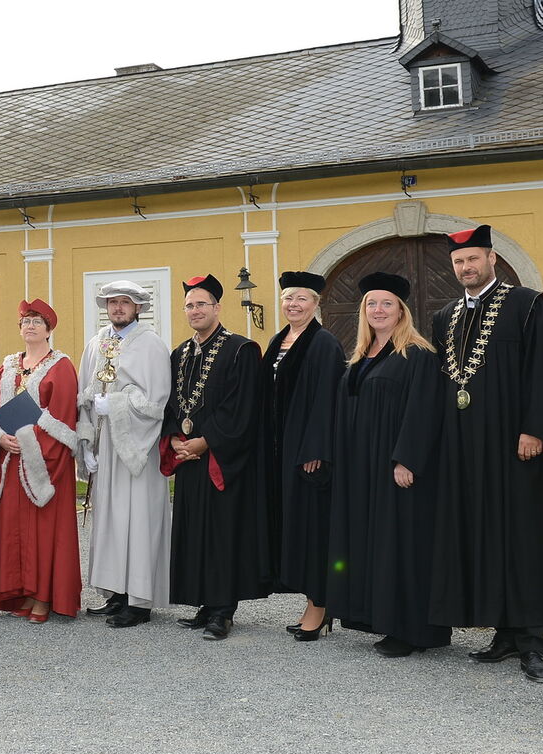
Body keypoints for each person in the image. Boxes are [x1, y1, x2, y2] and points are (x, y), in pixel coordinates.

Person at [429, 224, 543, 684]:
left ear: (492, 259)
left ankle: (532, 641)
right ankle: (504, 633)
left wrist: (535, 429)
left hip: (516, 447)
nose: (466, 267)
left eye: (473, 258)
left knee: (522, 537)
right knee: (486, 537)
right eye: (458, 261)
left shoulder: (528, 304)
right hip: (466, 449)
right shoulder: (445, 316)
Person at [325, 272, 448, 658]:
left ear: (401, 311)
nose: (378, 310)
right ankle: (379, 618)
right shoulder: (360, 358)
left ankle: (412, 630)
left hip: (395, 467)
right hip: (361, 469)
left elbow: (424, 411)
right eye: (372, 304)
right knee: (374, 542)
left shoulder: (418, 355)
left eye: (387, 304)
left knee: (402, 544)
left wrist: (405, 459)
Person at [160, 274, 274, 641]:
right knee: (195, 531)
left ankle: (223, 610)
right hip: (189, 457)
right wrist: (175, 438)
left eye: (201, 304)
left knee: (223, 534)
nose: (194, 310)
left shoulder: (241, 350)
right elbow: (171, 403)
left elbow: (243, 406)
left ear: (217, 308)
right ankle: (205, 603)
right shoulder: (179, 353)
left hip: (222, 460)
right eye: (189, 305)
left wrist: (206, 441)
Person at [75, 279, 171, 628]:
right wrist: (87, 444)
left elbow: (156, 401)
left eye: (125, 302)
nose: (118, 308)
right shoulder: (96, 342)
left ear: (138, 307)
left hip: (135, 449)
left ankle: (139, 601)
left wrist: (114, 404)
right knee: (111, 521)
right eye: (113, 302)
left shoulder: (151, 345)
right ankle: (116, 592)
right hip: (105, 447)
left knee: (138, 519)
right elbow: (85, 395)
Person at [0, 299, 82, 622]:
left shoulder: (61, 367)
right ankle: (21, 592)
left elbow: (62, 417)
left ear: (49, 330)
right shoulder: (8, 367)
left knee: (43, 529)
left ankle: (43, 597)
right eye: (26, 321)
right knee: (13, 528)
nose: (31, 326)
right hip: (10, 460)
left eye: (38, 321)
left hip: (44, 463)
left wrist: (26, 440)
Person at [263, 271, 345, 642]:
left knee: (313, 528)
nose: (293, 304)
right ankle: (311, 601)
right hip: (280, 449)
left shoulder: (324, 343)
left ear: (315, 303)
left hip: (307, 453)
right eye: (288, 298)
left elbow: (328, 397)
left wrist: (316, 448)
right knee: (293, 526)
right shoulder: (277, 340)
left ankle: (321, 604)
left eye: (301, 298)